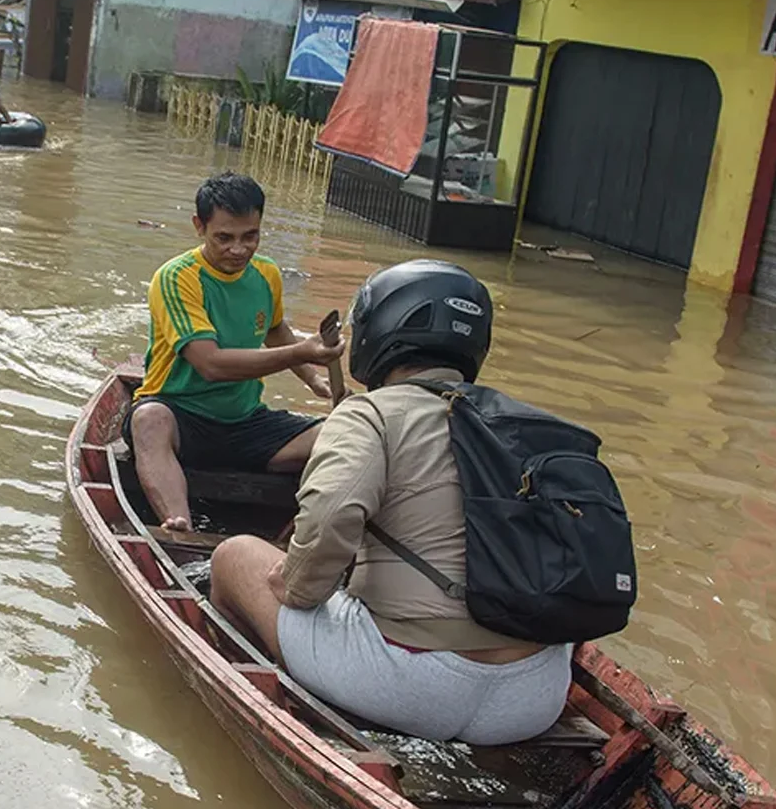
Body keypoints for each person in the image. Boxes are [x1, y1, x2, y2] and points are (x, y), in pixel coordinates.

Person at [207, 260, 573, 747]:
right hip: (535, 697)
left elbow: (331, 517)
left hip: (412, 685)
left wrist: (294, 587)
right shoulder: (529, 425)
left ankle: (258, 703)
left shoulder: (371, 413)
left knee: (234, 556)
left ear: (378, 331)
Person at [122, 172, 340, 532]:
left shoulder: (267, 273)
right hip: (181, 416)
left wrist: (314, 380)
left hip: (244, 421)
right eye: (224, 238)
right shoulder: (176, 278)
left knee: (343, 438)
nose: (238, 249)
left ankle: (304, 533)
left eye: (249, 236)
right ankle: (179, 526)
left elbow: (274, 329)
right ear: (199, 226)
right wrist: (303, 352)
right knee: (148, 420)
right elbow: (210, 364)